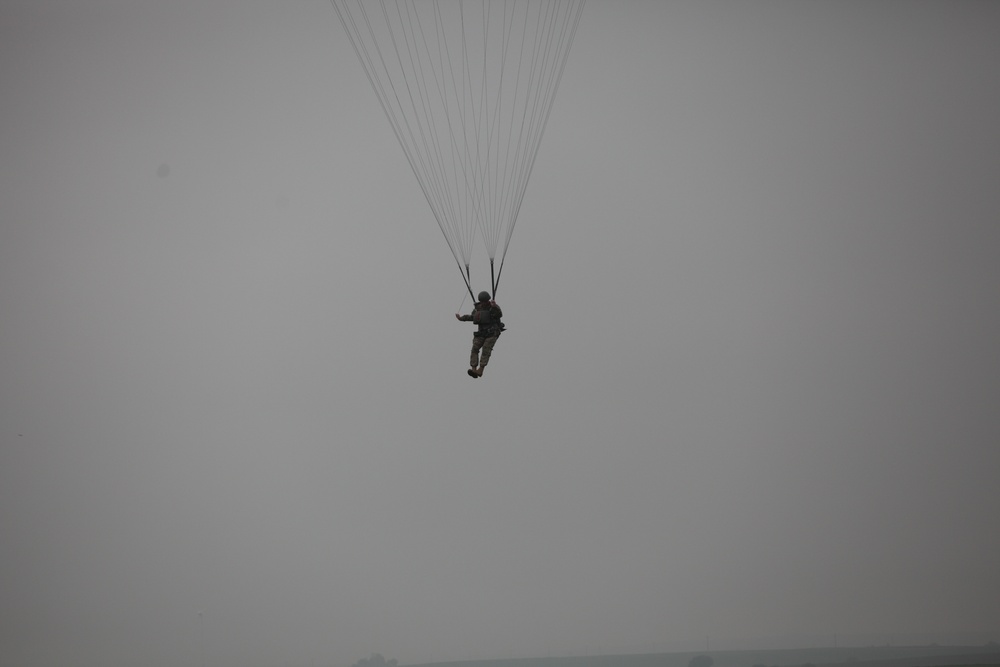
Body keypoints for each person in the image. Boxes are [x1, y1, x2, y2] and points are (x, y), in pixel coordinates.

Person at [455, 291, 504, 378]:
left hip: (492, 333)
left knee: (486, 350)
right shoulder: (478, 309)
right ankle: (473, 369)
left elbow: (499, 314)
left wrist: (494, 307)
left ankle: (480, 370)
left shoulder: (493, 307)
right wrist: (461, 318)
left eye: (485, 301)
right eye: (482, 301)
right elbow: (472, 317)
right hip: (481, 333)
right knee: (475, 348)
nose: (483, 303)